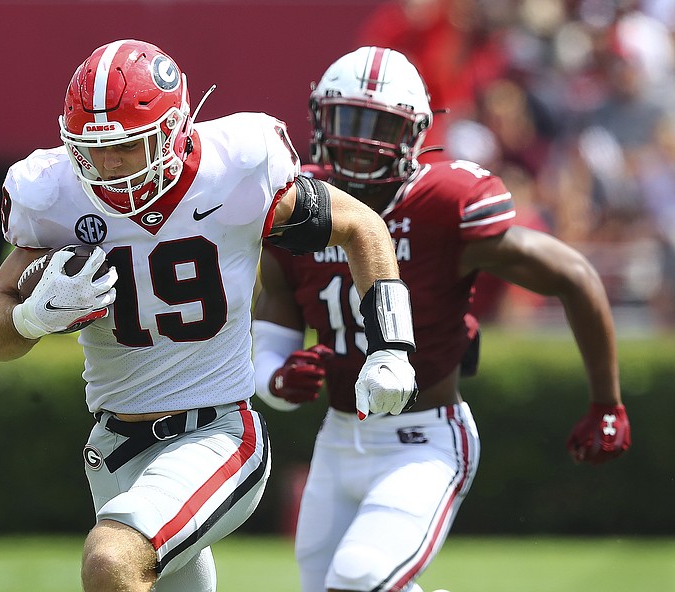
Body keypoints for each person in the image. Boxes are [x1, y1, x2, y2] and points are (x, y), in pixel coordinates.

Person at [0, 39, 418, 592]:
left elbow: (360, 225)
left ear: (174, 132)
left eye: (129, 146)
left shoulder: (235, 172)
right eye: (92, 148)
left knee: (112, 560)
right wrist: (30, 319)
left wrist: (392, 345)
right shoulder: (56, 196)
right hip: (112, 449)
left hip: (217, 434)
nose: (109, 165)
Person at [252, 46, 631, 592]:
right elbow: (274, 323)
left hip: (422, 438)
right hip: (337, 438)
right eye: (348, 120)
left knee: (358, 579)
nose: (359, 141)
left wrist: (606, 401)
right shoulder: (299, 204)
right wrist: (277, 379)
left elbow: (573, 273)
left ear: (415, 134)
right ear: (318, 119)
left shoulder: (442, 202)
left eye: (379, 124)